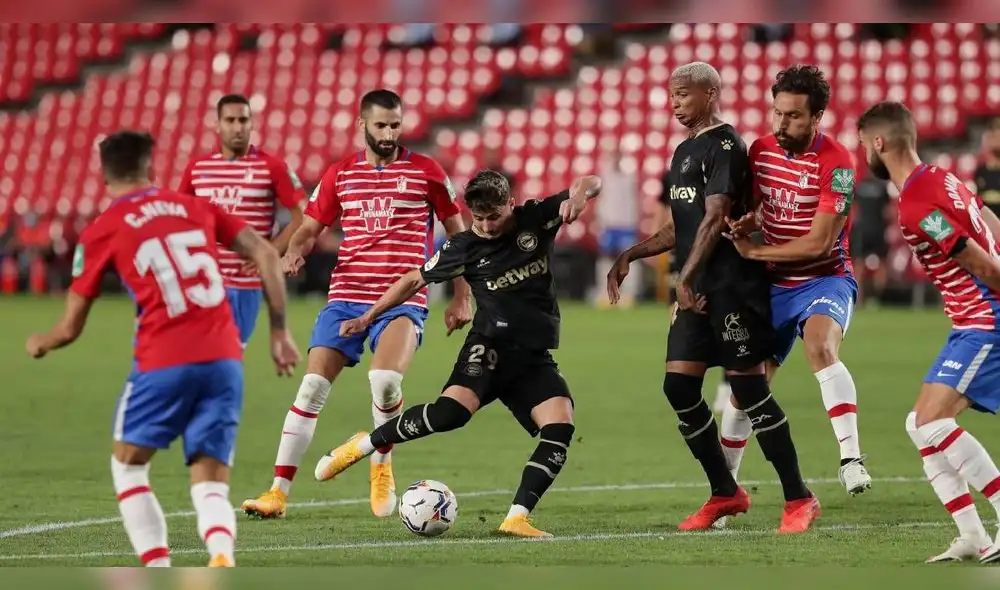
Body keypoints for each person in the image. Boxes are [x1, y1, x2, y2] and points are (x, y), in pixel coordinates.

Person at [25, 131, 300, 567]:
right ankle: (222, 558)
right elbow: (267, 254)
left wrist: (42, 342)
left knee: (129, 467)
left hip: (163, 361)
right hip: (225, 359)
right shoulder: (197, 207)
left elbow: (70, 327)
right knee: (210, 483)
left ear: (104, 174)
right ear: (152, 168)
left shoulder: (102, 229)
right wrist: (279, 331)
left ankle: (156, 568)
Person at [312, 170, 602, 538]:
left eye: (493, 217)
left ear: (510, 205)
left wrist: (579, 196)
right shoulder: (463, 246)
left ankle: (516, 517)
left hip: (531, 355)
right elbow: (413, 280)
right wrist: (368, 316)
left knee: (560, 427)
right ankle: (364, 444)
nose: (486, 226)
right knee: (450, 414)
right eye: (477, 218)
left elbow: (590, 181)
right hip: (489, 347)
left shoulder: (536, 217)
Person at [241, 89, 473, 521]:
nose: (389, 133)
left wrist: (462, 296)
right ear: (361, 124)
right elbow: (310, 228)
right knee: (310, 389)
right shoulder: (340, 174)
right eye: (381, 125)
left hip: (403, 298)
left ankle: (381, 463)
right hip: (346, 296)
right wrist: (294, 251)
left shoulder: (426, 172)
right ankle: (277, 492)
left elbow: (459, 237)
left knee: (385, 380)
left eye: (395, 125)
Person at [607, 61, 818, 533]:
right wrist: (632, 254)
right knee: (678, 387)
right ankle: (726, 492)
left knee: (748, 392)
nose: (674, 103)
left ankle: (799, 498)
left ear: (709, 93)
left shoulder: (727, 145)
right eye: (671, 95)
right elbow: (682, 225)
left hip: (732, 289)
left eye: (682, 94)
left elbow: (717, 216)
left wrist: (686, 275)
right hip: (696, 289)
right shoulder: (684, 150)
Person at [858, 101, 1000, 564]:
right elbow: (990, 225)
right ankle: (972, 537)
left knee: (935, 423)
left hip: (986, 320)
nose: (863, 154)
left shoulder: (919, 203)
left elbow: (977, 261)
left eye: (864, 144)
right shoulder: (943, 178)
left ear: (879, 143)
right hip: (971, 321)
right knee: (918, 425)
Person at [721, 65, 871, 496]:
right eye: (777, 113)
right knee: (746, 385)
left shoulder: (839, 163)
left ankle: (850, 459)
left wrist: (756, 251)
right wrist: (747, 222)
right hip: (771, 286)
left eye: (794, 117)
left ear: (817, 117)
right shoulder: (760, 150)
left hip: (824, 279)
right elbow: (751, 209)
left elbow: (820, 243)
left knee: (820, 347)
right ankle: (725, 488)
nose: (781, 124)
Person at [177, 93, 306, 348]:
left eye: (243, 120)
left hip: (243, 284)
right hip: (203, 281)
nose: (237, 127)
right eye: (230, 120)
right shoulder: (197, 168)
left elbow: (303, 215)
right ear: (217, 125)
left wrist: (267, 253)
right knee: (191, 356)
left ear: (252, 124)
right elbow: (179, 217)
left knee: (226, 355)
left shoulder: (272, 166)